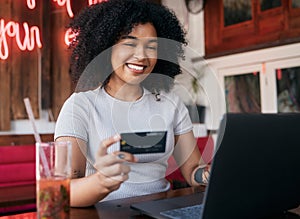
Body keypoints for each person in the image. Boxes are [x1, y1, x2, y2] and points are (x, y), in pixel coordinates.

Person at [55, 0, 209, 207]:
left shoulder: (170, 103)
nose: (142, 56)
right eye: (129, 43)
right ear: (106, 46)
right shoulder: (80, 106)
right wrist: (101, 182)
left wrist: (207, 174)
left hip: (160, 210)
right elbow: (63, 191)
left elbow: (192, 171)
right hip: (106, 213)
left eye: (151, 46)